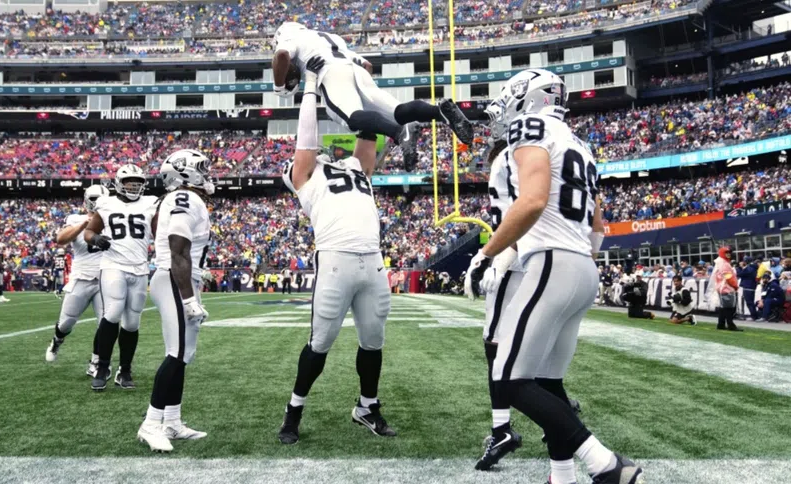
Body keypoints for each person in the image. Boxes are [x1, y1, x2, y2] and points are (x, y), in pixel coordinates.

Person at [465, 69, 642, 483]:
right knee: (549, 383)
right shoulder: (578, 143)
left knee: (508, 377)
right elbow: (598, 225)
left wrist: (486, 255)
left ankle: (605, 464)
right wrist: (577, 257)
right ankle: (562, 477)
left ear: (530, 97)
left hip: (551, 263)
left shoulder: (531, 127)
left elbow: (531, 201)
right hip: (582, 267)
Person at [277, 70, 394, 445]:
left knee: (373, 341)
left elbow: (367, 128)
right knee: (320, 342)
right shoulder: (307, 178)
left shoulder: (357, 167)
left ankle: (367, 407)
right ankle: (294, 410)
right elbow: (307, 139)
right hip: (335, 260)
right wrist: (311, 88)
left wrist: (359, 83)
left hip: (372, 261)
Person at [271, 22, 472, 170]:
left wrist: (279, 86)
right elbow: (367, 65)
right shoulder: (326, 36)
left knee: (352, 119)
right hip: (357, 71)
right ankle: (440, 111)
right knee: (398, 111)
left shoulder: (290, 37)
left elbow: (281, 56)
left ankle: (399, 133)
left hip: (331, 73)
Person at [138, 149, 214, 453]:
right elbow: (177, 249)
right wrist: (188, 298)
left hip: (179, 277)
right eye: (201, 168)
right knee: (176, 352)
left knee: (184, 355)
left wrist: (197, 275)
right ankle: (150, 424)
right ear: (186, 172)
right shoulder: (185, 197)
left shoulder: (182, 199)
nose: (207, 174)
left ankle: (172, 421)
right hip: (173, 278)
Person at [463, 109, 526, 470]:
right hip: (554, 259)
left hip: (517, 262)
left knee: (495, 344)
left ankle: (501, 428)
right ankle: (560, 406)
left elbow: (521, 214)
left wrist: (496, 260)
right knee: (538, 346)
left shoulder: (509, 159)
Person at [84, 164, 159, 391]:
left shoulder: (150, 203)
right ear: (119, 183)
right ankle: (102, 367)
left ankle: (124, 370)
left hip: (140, 268)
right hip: (113, 265)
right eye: (129, 182)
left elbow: (158, 234)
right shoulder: (106, 203)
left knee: (133, 321)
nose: (134, 186)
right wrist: (96, 239)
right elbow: (89, 232)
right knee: (113, 313)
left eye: (138, 183)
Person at [45, 185, 111, 370]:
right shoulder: (75, 218)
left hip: (105, 278)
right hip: (81, 277)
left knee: (105, 324)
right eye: (95, 199)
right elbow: (60, 239)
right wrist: (84, 224)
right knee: (66, 323)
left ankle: (96, 361)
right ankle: (57, 340)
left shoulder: (112, 218)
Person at [711, 246, 742, 331]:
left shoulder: (720, 262)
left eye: (729, 252)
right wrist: (735, 286)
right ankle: (730, 324)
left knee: (724, 307)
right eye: (726, 252)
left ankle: (721, 324)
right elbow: (729, 277)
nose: (728, 254)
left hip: (722, 287)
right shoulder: (724, 263)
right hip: (726, 288)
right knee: (729, 308)